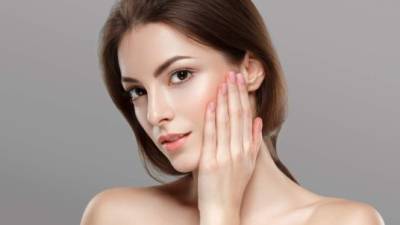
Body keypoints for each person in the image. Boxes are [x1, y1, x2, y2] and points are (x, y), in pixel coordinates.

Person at [80, 0, 384, 224]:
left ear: (250, 70)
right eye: (138, 91)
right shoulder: (116, 215)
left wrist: (221, 213)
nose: (155, 114)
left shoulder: (346, 221)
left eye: (181, 75)